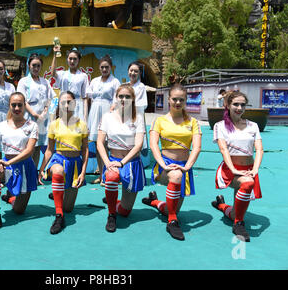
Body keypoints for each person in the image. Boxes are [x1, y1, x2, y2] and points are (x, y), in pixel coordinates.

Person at [142, 83, 202, 241]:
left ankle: (154, 202)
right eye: (174, 99)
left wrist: (187, 167)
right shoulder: (159, 120)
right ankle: (172, 223)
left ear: (185, 101)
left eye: (181, 100)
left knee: (170, 209)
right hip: (163, 167)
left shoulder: (193, 122)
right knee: (175, 178)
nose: (177, 103)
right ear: (168, 99)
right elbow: (154, 145)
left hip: (184, 168)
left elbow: (196, 147)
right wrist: (163, 165)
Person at [0, 92, 38, 234]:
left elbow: (29, 151)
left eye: (20, 105)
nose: (17, 108)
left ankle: (11, 198)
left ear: (25, 106)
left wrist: (9, 162)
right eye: (14, 105)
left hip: (25, 167)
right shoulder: (1, 126)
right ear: (9, 106)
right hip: (6, 166)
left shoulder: (32, 126)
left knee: (19, 211)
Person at [211, 91, 263, 242]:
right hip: (230, 170)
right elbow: (223, 149)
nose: (239, 108)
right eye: (236, 104)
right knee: (247, 184)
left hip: (249, 169)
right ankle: (238, 224)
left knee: (235, 212)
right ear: (227, 105)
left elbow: (259, 149)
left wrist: (255, 169)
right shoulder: (220, 126)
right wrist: (234, 170)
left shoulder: (253, 126)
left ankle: (222, 206)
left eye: (242, 105)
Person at [97, 84, 147, 233]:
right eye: (121, 96)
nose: (124, 99)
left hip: (131, 163)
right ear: (116, 98)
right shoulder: (107, 117)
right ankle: (111, 214)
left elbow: (138, 145)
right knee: (111, 176)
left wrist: (122, 163)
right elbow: (99, 142)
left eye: (127, 96)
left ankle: (115, 202)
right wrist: (107, 163)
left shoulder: (138, 118)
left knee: (125, 212)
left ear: (133, 99)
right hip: (113, 161)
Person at [38, 91, 89, 234]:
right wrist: (41, 169)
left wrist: (83, 172)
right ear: (59, 105)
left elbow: (85, 150)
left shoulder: (82, 125)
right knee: (58, 171)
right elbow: (49, 150)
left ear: (74, 103)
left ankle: (57, 194)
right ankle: (59, 217)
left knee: (69, 208)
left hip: (75, 164)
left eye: (69, 102)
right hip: (58, 159)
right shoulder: (54, 124)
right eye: (63, 102)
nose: (66, 105)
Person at [17, 53, 55, 169]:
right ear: (29, 66)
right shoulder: (23, 81)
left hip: (42, 117)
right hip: (28, 115)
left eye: (38, 66)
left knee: (38, 145)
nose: (36, 68)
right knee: (27, 144)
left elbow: (49, 98)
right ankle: (24, 170)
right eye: (34, 65)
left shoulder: (45, 82)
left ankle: (34, 172)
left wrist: (45, 111)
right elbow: (22, 100)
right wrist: (34, 114)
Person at [86, 55, 120, 184]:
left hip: (108, 112)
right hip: (95, 111)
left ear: (111, 68)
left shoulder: (115, 81)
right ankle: (101, 175)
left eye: (107, 67)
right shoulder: (94, 81)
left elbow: (116, 100)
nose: (104, 69)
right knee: (98, 144)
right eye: (102, 67)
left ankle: (110, 174)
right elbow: (89, 97)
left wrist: (111, 112)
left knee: (107, 144)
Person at [50, 45, 89, 122]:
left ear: (78, 60)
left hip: (77, 105)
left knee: (76, 130)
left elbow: (85, 98)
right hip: (64, 104)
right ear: (67, 59)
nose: (72, 61)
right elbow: (53, 73)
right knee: (64, 129)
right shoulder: (62, 74)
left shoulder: (83, 76)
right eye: (70, 58)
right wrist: (55, 54)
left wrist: (85, 118)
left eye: (75, 59)